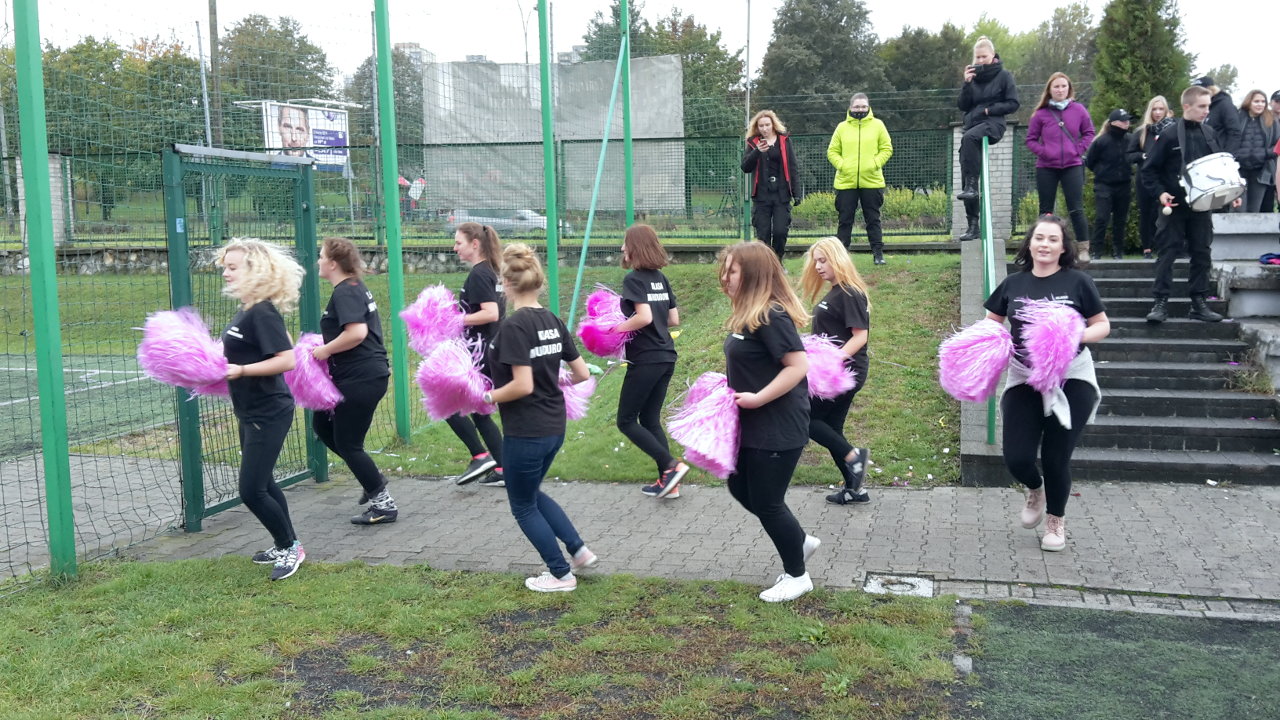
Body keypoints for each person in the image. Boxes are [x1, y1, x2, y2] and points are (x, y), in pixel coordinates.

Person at [983, 215, 1110, 552]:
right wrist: (988, 346)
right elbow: (992, 322)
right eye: (1039, 238)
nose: (1045, 244)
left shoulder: (1079, 282)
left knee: (1056, 456)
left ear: (1063, 247)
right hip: (1024, 376)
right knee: (1017, 457)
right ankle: (1035, 489)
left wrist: (1072, 335)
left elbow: (1102, 325)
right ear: (1030, 244)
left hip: (1071, 376)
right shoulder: (1013, 283)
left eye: (1053, 239)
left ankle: (1056, 521)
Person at [483, 243, 596, 593]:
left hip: (526, 430)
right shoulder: (551, 320)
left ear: (506, 283)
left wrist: (485, 397)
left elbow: (522, 385)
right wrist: (553, 380)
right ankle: (578, 550)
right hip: (553, 426)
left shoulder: (514, 327)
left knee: (522, 505)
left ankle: (561, 574)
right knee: (530, 493)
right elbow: (581, 374)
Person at [718, 241, 819, 603]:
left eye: (732, 270)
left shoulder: (771, 315)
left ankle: (797, 576)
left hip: (777, 426)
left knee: (768, 502)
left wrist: (758, 398)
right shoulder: (747, 315)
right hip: (751, 424)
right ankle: (798, 541)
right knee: (738, 486)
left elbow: (798, 366)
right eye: (724, 269)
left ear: (754, 274)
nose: (724, 277)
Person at [216, 238, 306, 581]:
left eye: (232, 267)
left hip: (268, 411)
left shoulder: (262, 312)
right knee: (264, 482)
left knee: (251, 490)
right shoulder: (248, 309)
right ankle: (284, 542)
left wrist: (241, 370)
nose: (226, 273)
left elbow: (287, 359)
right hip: (249, 409)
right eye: (225, 267)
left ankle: (290, 547)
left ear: (255, 270)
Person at [311, 237, 398, 524]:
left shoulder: (346, 292)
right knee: (322, 424)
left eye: (321, 256)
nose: (318, 261)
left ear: (333, 263)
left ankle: (383, 504)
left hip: (361, 377)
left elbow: (357, 333)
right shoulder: (351, 287)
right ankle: (371, 476)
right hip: (359, 376)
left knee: (349, 444)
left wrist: (325, 350)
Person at [1142, 85, 1243, 324]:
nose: (1207, 111)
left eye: (1208, 106)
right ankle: (1160, 302)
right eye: (1202, 106)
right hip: (1175, 204)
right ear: (1186, 106)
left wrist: (1231, 192)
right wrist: (1161, 193)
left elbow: (1219, 167)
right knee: (1167, 253)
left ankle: (1199, 303)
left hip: (1202, 206)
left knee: (1201, 253)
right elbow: (1149, 171)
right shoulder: (1169, 135)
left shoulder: (1209, 133)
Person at [609, 224, 688, 498]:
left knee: (626, 421)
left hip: (646, 358)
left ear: (636, 247)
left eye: (625, 243)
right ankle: (669, 482)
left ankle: (671, 466)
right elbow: (673, 319)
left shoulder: (634, 279)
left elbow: (644, 317)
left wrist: (614, 330)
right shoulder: (660, 278)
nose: (622, 247)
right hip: (666, 356)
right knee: (650, 419)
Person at [798, 237, 872, 506]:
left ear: (837, 259)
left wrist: (833, 359)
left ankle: (854, 457)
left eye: (823, 260)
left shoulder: (850, 292)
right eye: (816, 261)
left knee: (806, 420)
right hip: (831, 372)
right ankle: (855, 489)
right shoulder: (836, 291)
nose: (818, 266)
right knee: (831, 429)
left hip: (843, 373)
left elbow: (860, 336)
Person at [447, 222, 508, 487]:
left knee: (447, 402)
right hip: (490, 349)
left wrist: (456, 320)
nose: (454, 248)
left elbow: (490, 313)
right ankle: (503, 468)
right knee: (479, 413)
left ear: (475, 244)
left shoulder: (479, 274)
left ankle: (480, 455)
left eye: (458, 242)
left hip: (481, 353)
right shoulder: (491, 271)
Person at [1025, 73, 1096, 260]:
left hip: (1072, 165)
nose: (1060, 90)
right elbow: (1030, 140)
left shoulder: (1079, 110)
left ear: (1069, 89)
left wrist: (1078, 150)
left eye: (1064, 86)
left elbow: (1089, 132)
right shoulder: (1041, 114)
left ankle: (1083, 248)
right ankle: (1039, 248)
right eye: (1056, 86)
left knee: (1076, 208)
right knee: (1046, 210)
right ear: (1049, 90)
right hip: (1046, 167)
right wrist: (1044, 152)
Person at [955, 36, 1019, 241]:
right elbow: (963, 105)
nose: (980, 60)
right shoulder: (973, 78)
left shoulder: (1004, 76)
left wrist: (989, 110)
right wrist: (966, 84)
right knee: (966, 168)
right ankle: (972, 225)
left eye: (984, 56)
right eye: (978, 57)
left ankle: (972, 185)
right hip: (972, 126)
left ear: (993, 56)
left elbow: (1013, 103)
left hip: (993, 123)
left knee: (970, 138)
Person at [826, 93, 894, 264]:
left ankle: (878, 254)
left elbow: (887, 148)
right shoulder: (842, 127)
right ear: (850, 107)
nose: (860, 109)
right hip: (846, 182)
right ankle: (842, 257)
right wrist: (842, 165)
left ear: (868, 107)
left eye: (863, 106)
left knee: (873, 219)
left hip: (871, 181)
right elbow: (832, 151)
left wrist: (875, 163)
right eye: (857, 106)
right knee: (845, 220)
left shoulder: (878, 125)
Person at [741, 110, 802, 260]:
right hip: (762, 196)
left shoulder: (784, 140)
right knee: (763, 234)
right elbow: (745, 167)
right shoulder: (753, 143)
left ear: (773, 125)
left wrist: (796, 192)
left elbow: (793, 167)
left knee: (780, 231)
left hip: (781, 195)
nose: (764, 128)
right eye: (761, 126)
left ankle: (778, 261)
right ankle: (766, 265)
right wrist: (757, 151)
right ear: (757, 127)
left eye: (767, 125)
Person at [1126, 96, 1176, 259]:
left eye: (1161, 109)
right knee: (1146, 213)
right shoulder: (1142, 132)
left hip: (1166, 178)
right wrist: (1143, 156)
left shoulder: (1173, 131)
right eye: (1154, 109)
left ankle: (1166, 246)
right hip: (1145, 178)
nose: (1158, 112)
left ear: (1166, 110)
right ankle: (1147, 248)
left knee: (1167, 213)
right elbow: (1129, 155)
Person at [1085, 109, 1134, 260]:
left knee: (1120, 219)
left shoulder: (1131, 139)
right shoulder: (1101, 141)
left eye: (1127, 120)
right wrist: (1102, 172)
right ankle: (1097, 251)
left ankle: (1118, 251)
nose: (1127, 123)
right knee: (1102, 218)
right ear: (1114, 123)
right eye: (1123, 121)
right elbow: (1089, 161)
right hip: (1104, 185)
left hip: (1124, 185)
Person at [1235, 89, 1279, 212]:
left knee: (1254, 210)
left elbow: (1277, 145)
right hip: (1238, 170)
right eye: (1256, 101)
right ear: (1249, 102)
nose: (1260, 104)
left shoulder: (1271, 119)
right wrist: (1237, 155)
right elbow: (1230, 140)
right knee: (1238, 209)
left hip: (1261, 171)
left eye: (1263, 101)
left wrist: (1264, 154)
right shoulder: (1237, 117)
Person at [1192, 76, 1242, 155]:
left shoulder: (1225, 105)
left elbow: (1235, 133)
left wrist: (1227, 155)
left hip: (1219, 156)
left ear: (1211, 89)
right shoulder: (1201, 107)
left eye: (1201, 91)